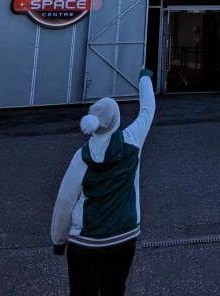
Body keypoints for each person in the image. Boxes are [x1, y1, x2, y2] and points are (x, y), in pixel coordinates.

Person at [51, 68, 156, 296]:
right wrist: (144, 79)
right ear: (116, 122)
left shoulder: (81, 157)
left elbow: (65, 201)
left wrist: (59, 240)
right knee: (114, 290)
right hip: (124, 235)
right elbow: (148, 109)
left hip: (86, 241)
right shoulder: (132, 142)